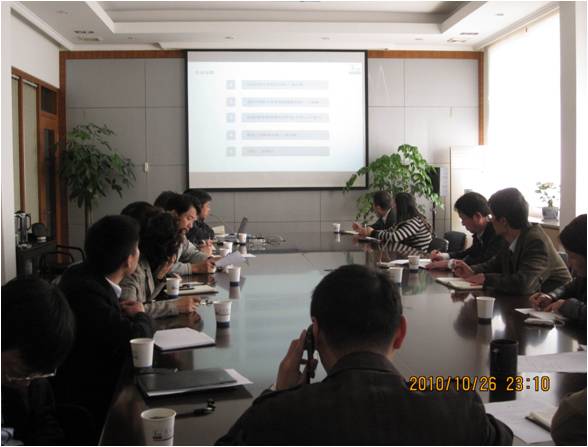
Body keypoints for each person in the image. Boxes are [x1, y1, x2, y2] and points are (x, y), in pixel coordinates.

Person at [216, 265, 513, 445]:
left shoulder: (279, 415)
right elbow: (504, 437)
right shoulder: (457, 407)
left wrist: (279, 391)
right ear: (400, 332)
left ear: (315, 334)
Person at [53, 215, 154, 431]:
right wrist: (141, 314)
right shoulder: (87, 292)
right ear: (128, 260)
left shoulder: (83, 273)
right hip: (90, 400)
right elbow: (133, 340)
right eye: (137, 249)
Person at [453, 188, 571, 295]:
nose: (490, 221)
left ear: (503, 221)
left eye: (492, 217)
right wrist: (472, 270)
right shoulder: (510, 237)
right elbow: (494, 264)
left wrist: (486, 279)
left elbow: (524, 283)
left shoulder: (536, 241)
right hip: (529, 302)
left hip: (554, 303)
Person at [2, 278, 75, 445]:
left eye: (35, 375)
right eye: (16, 373)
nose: (25, 383)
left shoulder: (33, 374)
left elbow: (47, 427)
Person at [120, 211, 200, 318]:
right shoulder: (133, 269)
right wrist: (175, 306)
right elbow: (130, 312)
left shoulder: (148, 263)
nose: (173, 257)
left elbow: (146, 299)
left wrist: (160, 277)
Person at [427, 192, 507, 269]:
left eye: (463, 218)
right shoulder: (480, 231)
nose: (462, 223)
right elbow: (471, 251)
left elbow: (485, 262)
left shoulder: (497, 232)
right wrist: (445, 256)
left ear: (477, 216)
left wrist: (450, 264)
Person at [529, 214, 586, 320]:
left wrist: (567, 306)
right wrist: (551, 296)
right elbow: (570, 287)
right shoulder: (583, 276)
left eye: (573, 257)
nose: (569, 263)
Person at [355, 192, 433, 251]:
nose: (392, 207)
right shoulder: (405, 221)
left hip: (420, 257)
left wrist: (373, 233)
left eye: (395, 204)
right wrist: (369, 231)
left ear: (401, 206)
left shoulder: (415, 221)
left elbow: (395, 237)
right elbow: (389, 231)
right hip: (411, 254)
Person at [163, 193, 215, 275]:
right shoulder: (160, 235)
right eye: (188, 219)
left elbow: (191, 253)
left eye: (193, 221)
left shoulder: (180, 234)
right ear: (174, 214)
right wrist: (195, 268)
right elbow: (161, 268)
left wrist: (212, 260)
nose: (191, 226)